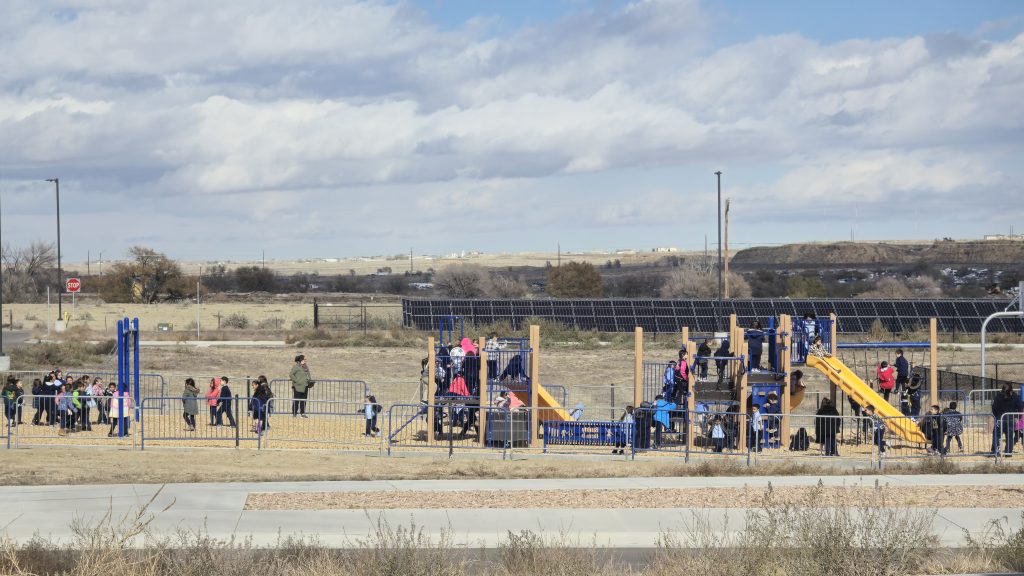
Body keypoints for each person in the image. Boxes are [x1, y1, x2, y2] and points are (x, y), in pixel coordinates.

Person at [991, 383, 1022, 457]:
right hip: (1011, 419)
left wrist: (996, 416)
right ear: (1011, 389)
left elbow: (994, 408)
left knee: (996, 435)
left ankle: (995, 452)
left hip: (1000, 418)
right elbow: (1020, 407)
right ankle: (1008, 453)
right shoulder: (1015, 396)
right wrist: (1018, 417)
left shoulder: (998, 396)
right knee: (1010, 437)